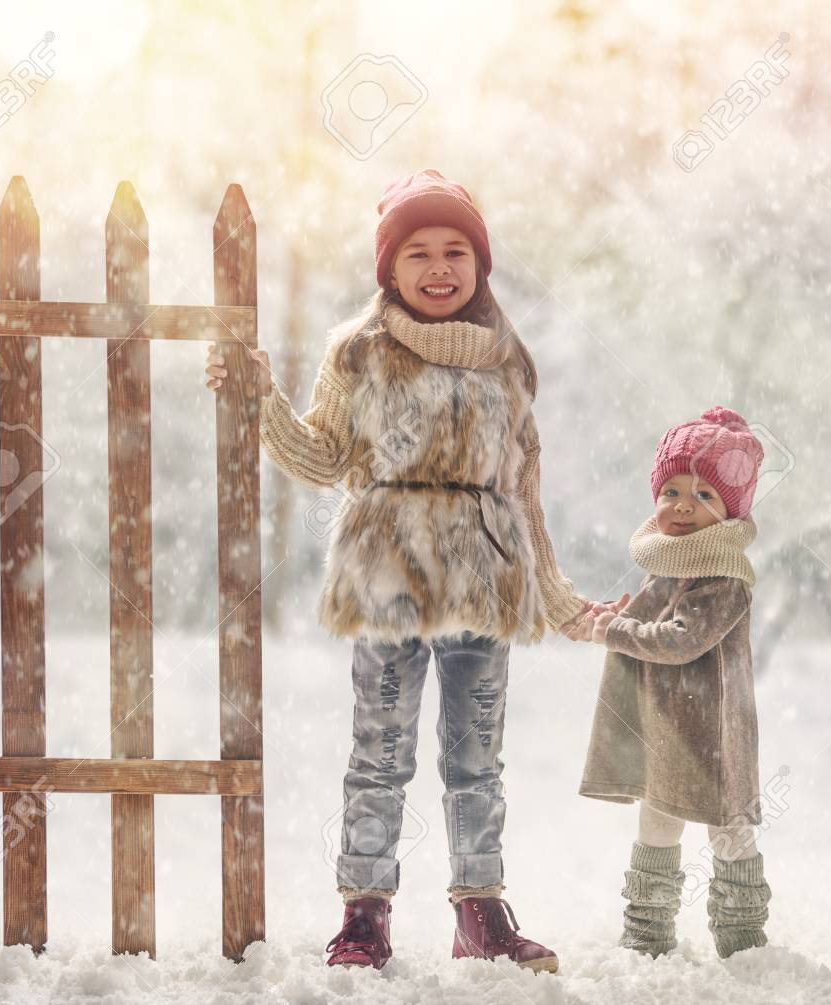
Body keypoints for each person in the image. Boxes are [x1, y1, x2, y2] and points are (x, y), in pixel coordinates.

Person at [205, 169, 621, 973]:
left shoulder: (509, 361)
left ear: (479, 264)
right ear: (389, 268)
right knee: (380, 752)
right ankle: (364, 912)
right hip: (388, 574)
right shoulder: (359, 352)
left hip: (484, 577)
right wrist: (262, 398)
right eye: (419, 251)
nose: (439, 266)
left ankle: (481, 910)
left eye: (455, 250)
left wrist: (560, 599)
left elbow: (523, 487)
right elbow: (324, 457)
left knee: (475, 757)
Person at [577, 406, 772, 959]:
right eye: (672, 491)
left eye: (706, 495)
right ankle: (647, 930)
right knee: (658, 823)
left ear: (731, 514)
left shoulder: (723, 575)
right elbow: (649, 618)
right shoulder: (667, 562)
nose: (684, 505)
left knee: (727, 829)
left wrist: (617, 631)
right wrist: (614, 617)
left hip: (712, 731)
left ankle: (742, 940)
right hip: (665, 728)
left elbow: (678, 638)